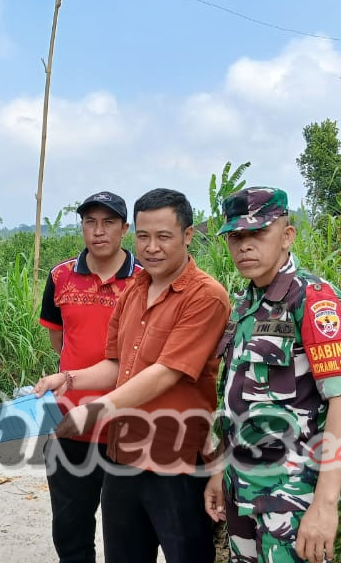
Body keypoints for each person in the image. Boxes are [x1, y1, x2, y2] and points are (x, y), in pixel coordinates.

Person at [34, 188, 231, 563]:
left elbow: (166, 373)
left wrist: (95, 410)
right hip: (123, 455)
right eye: (144, 237)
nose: (152, 247)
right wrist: (69, 378)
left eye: (163, 236)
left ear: (187, 235)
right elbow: (116, 364)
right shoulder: (134, 290)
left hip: (175, 458)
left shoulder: (205, 296)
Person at [202, 187, 341, 563]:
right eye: (235, 236)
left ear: (287, 235)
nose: (244, 246)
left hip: (292, 497)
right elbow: (236, 396)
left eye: (257, 233)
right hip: (242, 490)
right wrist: (220, 471)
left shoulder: (314, 300)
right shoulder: (246, 303)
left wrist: (325, 505)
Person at [38, 191, 141, 563]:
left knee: (127, 534)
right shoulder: (61, 276)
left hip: (127, 426)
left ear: (124, 229)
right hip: (70, 424)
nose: (98, 231)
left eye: (108, 222)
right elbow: (58, 339)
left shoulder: (144, 279)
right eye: (90, 222)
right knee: (70, 530)